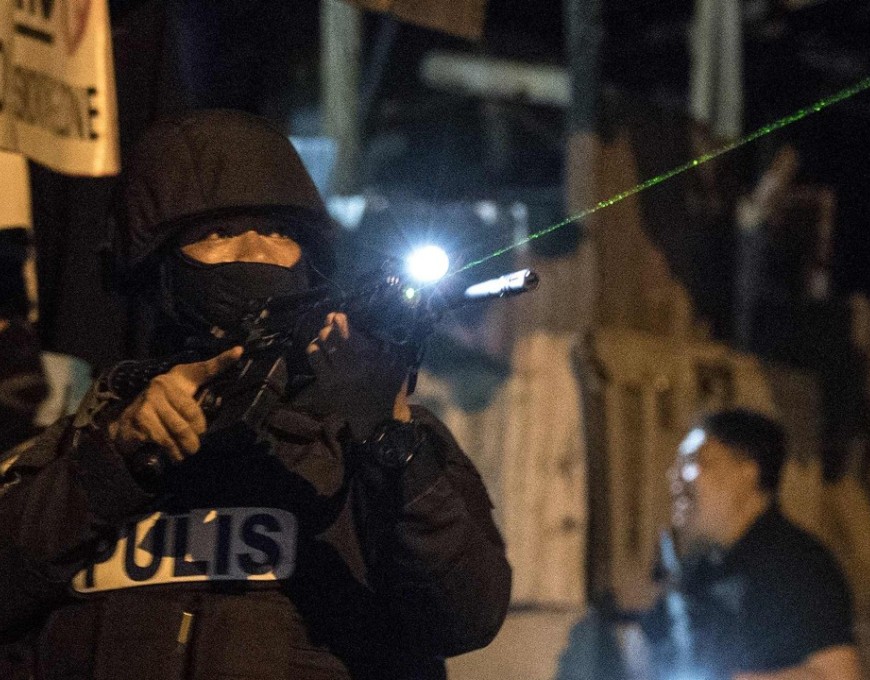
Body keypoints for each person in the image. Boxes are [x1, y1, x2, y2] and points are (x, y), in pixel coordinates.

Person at [0, 109, 511, 680]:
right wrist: (111, 462)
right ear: (156, 267)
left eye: (279, 232)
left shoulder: (362, 439)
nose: (258, 252)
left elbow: (466, 615)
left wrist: (385, 436)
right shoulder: (85, 445)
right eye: (219, 234)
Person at [642, 408, 864, 680]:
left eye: (695, 463)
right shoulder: (698, 569)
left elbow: (838, 675)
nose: (675, 476)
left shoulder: (801, 566)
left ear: (747, 473)